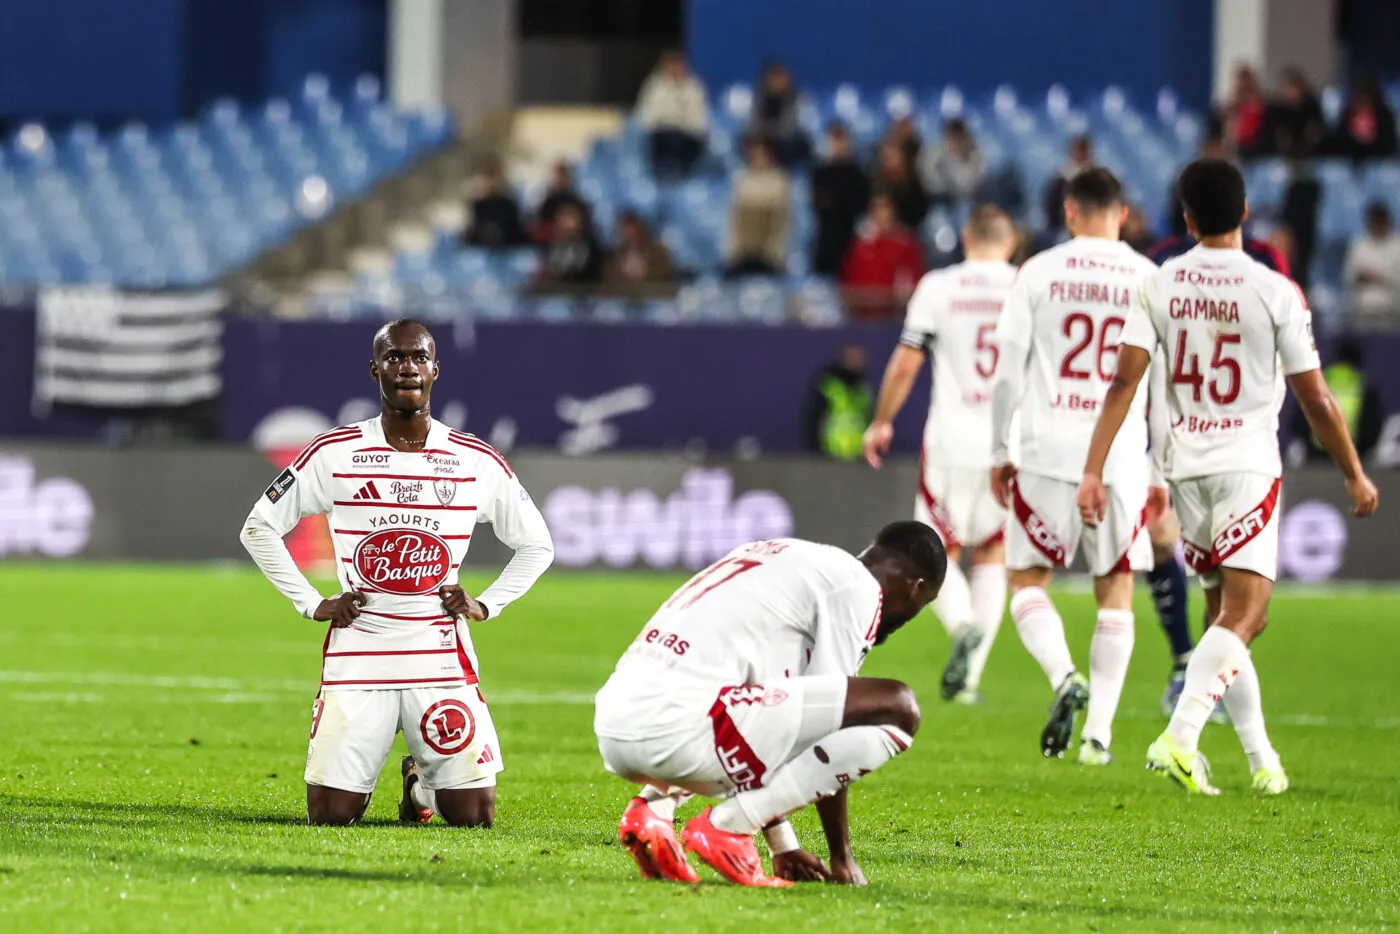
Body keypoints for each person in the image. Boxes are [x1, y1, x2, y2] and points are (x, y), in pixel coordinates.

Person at [1076, 158, 1379, 795]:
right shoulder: (1275, 290)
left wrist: (1093, 468)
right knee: (1249, 615)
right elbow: (1316, 397)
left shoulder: (1159, 282)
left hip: (1186, 471)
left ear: (1187, 220)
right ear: (1245, 212)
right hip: (1245, 465)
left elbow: (1124, 382)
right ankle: (1180, 738)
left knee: (1223, 618)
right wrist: (1353, 472)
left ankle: (1264, 762)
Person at [238, 319, 555, 826]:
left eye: (418, 357)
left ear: (435, 370)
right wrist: (312, 602)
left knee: (474, 816)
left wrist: (487, 603)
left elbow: (537, 544)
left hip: (438, 654)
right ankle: (374, 781)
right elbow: (258, 528)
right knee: (331, 816)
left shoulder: (474, 459)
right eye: (395, 357)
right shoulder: (335, 452)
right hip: (360, 651)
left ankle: (420, 789)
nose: (407, 367)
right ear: (375, 370)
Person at [593, 522, 946, 887]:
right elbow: (831, 724)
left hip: (617, 726)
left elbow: (769, 718)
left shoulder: (788, 560)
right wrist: (841, 858)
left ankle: (653, 809)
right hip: (677, 731)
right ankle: (728, 828)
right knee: (898, 707)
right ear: (916, 588)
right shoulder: (857, 588)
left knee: (757, 704)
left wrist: (783, 845)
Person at [990, 168, 1162, 765]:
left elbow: (1007, 372)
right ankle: (1099, 737)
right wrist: (1159, 470)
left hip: (1047, 447)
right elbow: (1161, 383)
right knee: (1116, 588)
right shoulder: (1147, 276)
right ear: (1123, 213)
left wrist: (1000, 449)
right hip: (1120, 453)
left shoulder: (1038, 270)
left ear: (1069, 211)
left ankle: (1065, 676)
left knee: (1026, 579)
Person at [863, 204, 1018, 705]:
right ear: (1010, 243)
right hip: (1009, 445)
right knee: (993, 552)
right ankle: (969, 679)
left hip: (951, 439)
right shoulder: (1027, 286)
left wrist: (882, 420)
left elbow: (907, 362)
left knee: (935, 550)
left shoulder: (939, 286)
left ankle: (963, 627)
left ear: (966, 240)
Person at [1290, 339, 1384, 463]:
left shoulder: (1318, 382)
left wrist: (1309, 444)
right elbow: (1372, 427)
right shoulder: (1365, 387)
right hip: (1352, 457)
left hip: (1316, 457)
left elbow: (1298, 420)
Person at [839, 193, 925, 318]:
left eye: (885, 208)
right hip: (861, 318)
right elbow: (847, 285)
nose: (881, 214)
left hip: (895, 318)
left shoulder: (906, 245)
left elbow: (915, 285)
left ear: (893, 212)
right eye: (877, 209)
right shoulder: (859, 246)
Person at [636, 50, 709, 182]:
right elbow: (648, 117)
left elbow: (700, 119)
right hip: (661, 134)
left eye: (678, 65)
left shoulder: (694, 87)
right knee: (666, 140)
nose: (675, 69)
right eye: (671, 65)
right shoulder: (654, 87)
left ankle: (683, 178)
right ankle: (663, 177)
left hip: (688, 136)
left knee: (686, 142)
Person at [811, 122, 872, 276]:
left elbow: (859, 207)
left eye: (841, 139)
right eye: (834, 140)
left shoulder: (858, 174)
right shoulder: (821, 174)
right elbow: (819, 205)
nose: (838, 145)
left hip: (850, 239)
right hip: (825, 238)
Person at [726, 137, 790, 278]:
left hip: (768, 257)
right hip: (744, 254)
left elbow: (780, 223)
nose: (757, 158)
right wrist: (735, 251)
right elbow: (736, 220)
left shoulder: (779, 182)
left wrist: (775, 254)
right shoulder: (742, 180)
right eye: (754, 154)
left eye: (761, 154)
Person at [803, 344, 873, 459]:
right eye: (852, 358)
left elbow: (870, 422)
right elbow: (813, 422)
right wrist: (817, 453)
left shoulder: (864, 391)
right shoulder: (828, 388)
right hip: (829, 455)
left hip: (858, 457)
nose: (856, 363)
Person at [1344, 202, 1400, 326]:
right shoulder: (1360, 245)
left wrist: (1377, 277)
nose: (1377, 227)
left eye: (1380, 223)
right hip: (1362, 310)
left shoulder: (1397, 246)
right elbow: (1349, 276)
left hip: (1391, 311)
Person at [748, 62, 811, 169]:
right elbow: (754, 124)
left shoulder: (798, 100)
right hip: (767, 143)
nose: (777, 82)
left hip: (790, 147)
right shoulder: (760, 100)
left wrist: (772, 132)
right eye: (774, 78)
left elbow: (791, 128)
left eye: (780, 78)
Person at [921, 118, 987, 208]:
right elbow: (930, 182)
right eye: (954, 137)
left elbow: (977, 181)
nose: (957, 141)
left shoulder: (976, 154)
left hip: (972, 200)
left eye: (961, 137)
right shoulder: (936, 154)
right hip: (943, 201)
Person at [464, 160, 529, 248]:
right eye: (487, 179)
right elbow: (472, 234)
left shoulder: (508, 205)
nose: (491, 183)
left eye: (494, 178)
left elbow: (517, 233)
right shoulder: (478, 206)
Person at [1332, 77, 1398, 163]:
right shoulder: (1347, 115)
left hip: (1381, 161)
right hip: (1350, 161)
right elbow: (1340, 142)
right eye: (1360, 98)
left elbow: (1389, 143)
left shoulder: (1385, 117)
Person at [603, 209, 674, 289]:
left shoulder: (658, 253)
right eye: (625, 229)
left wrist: (644, 273)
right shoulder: (613, 257)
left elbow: (665, 275)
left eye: (632, 228)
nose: (629, 233)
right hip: (622, 294)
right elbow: (607, 280)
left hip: (652, 294)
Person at [1266, 68, 1327, 161]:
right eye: (1288, 87)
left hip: (1311, 157)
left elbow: (1316, 133)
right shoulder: (1276, 110)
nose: (1291, 92)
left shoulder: (1311, 108)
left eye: (1294, 87)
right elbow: (1274, 135)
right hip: (1281, 158)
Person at [538, 203, 603, 285]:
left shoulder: (591, 251)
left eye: (569, 218)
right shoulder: (549, 247)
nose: (563, 223)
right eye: (561, 218)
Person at [1042, 135, 1096, 234]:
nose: (1084, 154)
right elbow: (1052, 210)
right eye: (1081, 150)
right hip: (1063, 230)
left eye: (1086, 150)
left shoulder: (1098, 180)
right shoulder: (1061, 180)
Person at [873, 141, 930, 232]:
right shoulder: (878, 182)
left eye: (893, 157)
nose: (889, 162)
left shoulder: (913, 181)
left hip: (912, 227)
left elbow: (919, 211)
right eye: (886, 158)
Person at [532, 161, 591, 243]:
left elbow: (588, 234)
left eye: (563, 175)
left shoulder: (579, 203)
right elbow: (539, 231)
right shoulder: (546, 204)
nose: (559, 179)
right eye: (557, 175)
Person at [1219, 65, 1268, 158]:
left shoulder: (1256, 102)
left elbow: (1254, 124)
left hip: (1252, 147)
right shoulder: (1234, 103)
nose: (1239, 84)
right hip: (1236, 146)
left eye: (1242, 81)